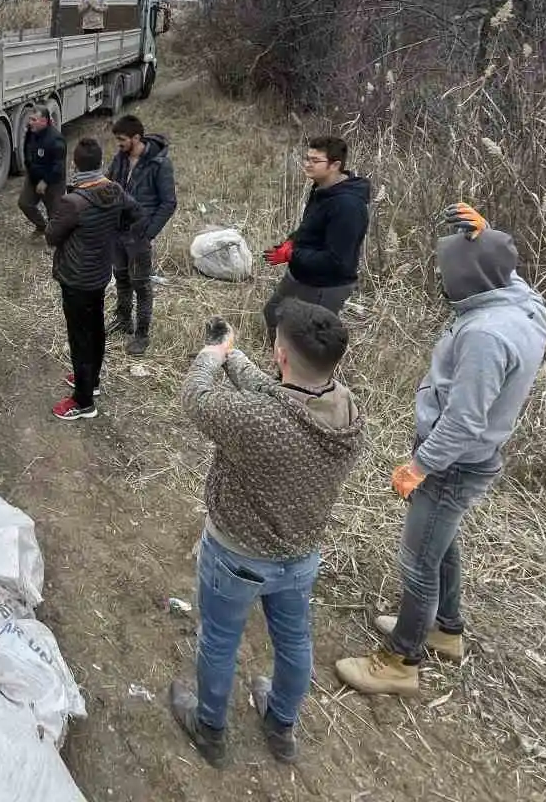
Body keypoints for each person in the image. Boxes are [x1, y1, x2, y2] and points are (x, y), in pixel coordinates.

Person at [334, 205, 546, 699]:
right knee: (439, 540)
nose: (441, 279)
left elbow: (464, 418)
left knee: (417, 561)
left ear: (467, 280)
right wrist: (488, 237)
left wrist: (418, 466)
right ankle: (446, 630)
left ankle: (400, 660)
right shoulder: (525, 308)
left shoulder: (483, 335)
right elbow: (513, 278)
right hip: (473, 457)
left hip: (452, 462)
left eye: (445, 272)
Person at [169, 301, 366, 767]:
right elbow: (281, 396)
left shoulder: (257, 420)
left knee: (219, 639)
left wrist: (210, 356)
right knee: (295, 642)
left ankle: (211, 728)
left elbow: (194, 397)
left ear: (280, 354)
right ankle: (281, 725)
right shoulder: (349, 410)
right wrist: (232, 354)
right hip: (300, 554)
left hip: (237, 553)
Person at [45, 136, 140, 421]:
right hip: (99, 273)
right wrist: (111, 233)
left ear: (75, 165)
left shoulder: (73, 201)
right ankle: (91, 381)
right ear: (100, 163)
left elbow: (51, 236)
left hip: (76, 279)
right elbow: (134, 212)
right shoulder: (114, 190)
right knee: (95, 329)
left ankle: (83, 402)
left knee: (80, 337)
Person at [262, 135, 371, 340]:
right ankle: (283, 367)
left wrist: (293, 254)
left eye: (315, 161)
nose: (307, 164)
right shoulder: (321, 189)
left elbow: (337, 262)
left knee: (308, 342)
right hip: (301, 274)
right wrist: (291, 241)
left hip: (325, 287)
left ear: (335, 165)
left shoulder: (348, 207)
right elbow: (312, 228)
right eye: (307, 158)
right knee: (273, 315)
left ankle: (297, 370)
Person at [108, 114, 177, 357]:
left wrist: (148, 233)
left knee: (141, 284)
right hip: (117, 231)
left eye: (122, 139)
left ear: (137, 138)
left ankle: (142, 334)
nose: (119, 144)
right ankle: (123, 319)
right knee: (122, 277)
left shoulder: (159, 164)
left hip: (139, 236)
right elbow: (109, 185)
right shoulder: (120, 159)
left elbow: (169, 203)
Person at [17, 106, 66, 238]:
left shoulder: (56, 140)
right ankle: (41, 226)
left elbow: (58, 167)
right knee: (24, 203)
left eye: (34, 119)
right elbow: (27, 150)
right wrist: (29, 169)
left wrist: (45, 181)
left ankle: (56, 238)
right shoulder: (31, 132)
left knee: (55, 214)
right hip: (34, 177)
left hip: (53, 181)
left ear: (44, 121)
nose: (30, 122)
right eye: (30, 119)